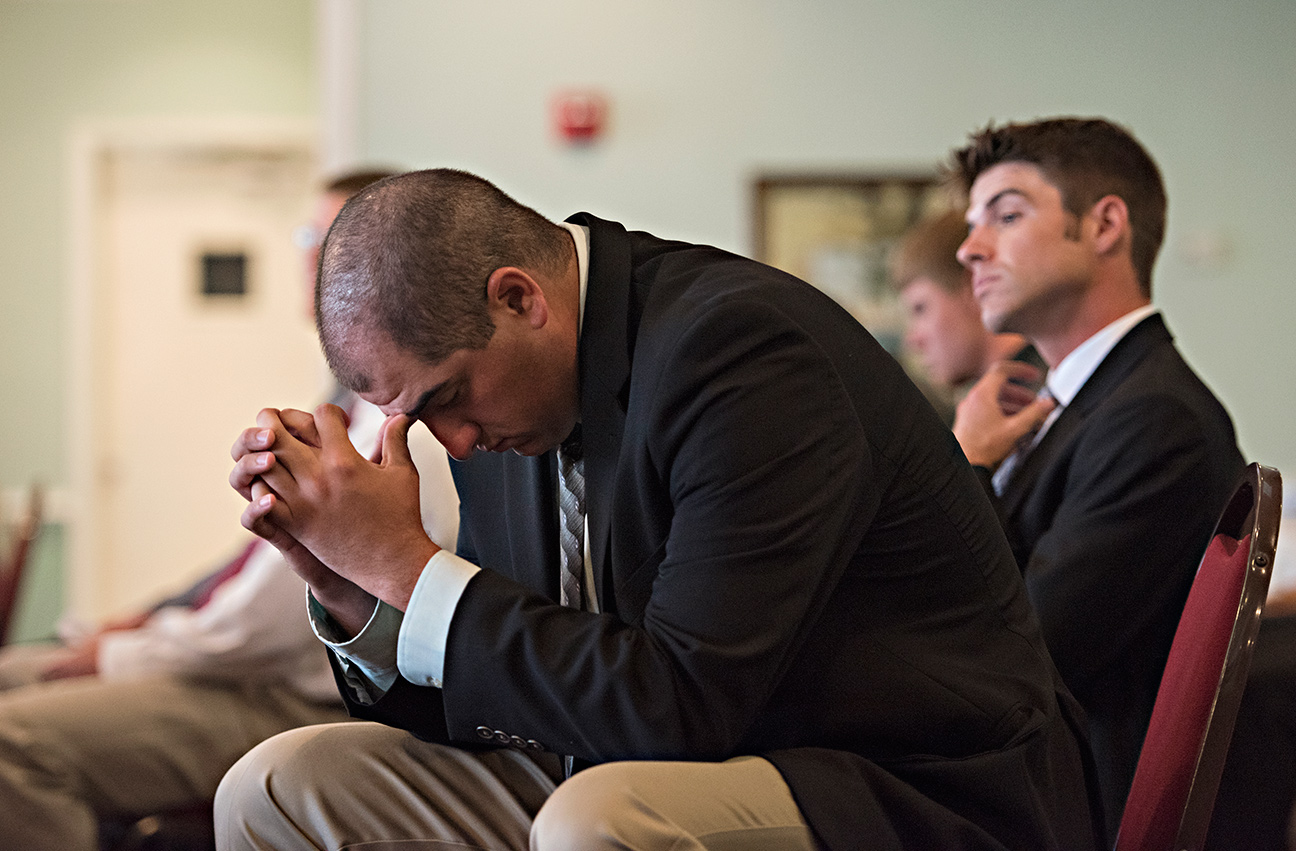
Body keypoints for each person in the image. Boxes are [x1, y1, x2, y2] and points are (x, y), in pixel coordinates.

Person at [221, 168, 1105, 851]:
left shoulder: (739, 353)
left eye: (448, 396)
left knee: (598, 820)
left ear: (519, 297)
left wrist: (406, 565)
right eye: (418, 414)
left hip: (899, 782)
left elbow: (683, 705)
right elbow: (514, 685)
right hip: (633, 764)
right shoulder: (501, 408)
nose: (449, 443)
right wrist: (348, 583)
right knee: (276, 784)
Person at [0, 170, 461, 851]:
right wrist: (147, 621)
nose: (311, 260)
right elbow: (255, 574)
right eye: (310, 238)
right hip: (252, 669)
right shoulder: (353, 402)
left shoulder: (407, 427)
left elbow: (267, 625)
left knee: (11, 742)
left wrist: (124, 652)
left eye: (331, 241)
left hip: (292, 693)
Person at [947, 116, 1245, 835]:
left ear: (1105, 223)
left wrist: (965, 468)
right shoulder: (1087, 404)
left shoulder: (1154, 418)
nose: (969, 247)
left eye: (1007, 214)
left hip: (1063, 806)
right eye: (970, 223)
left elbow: (1023, 658)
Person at [889, 208, 1040, 394]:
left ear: (974, 287)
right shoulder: (1001, 401)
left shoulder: (1036, 404)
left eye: (921, 309)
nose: (913, 340)